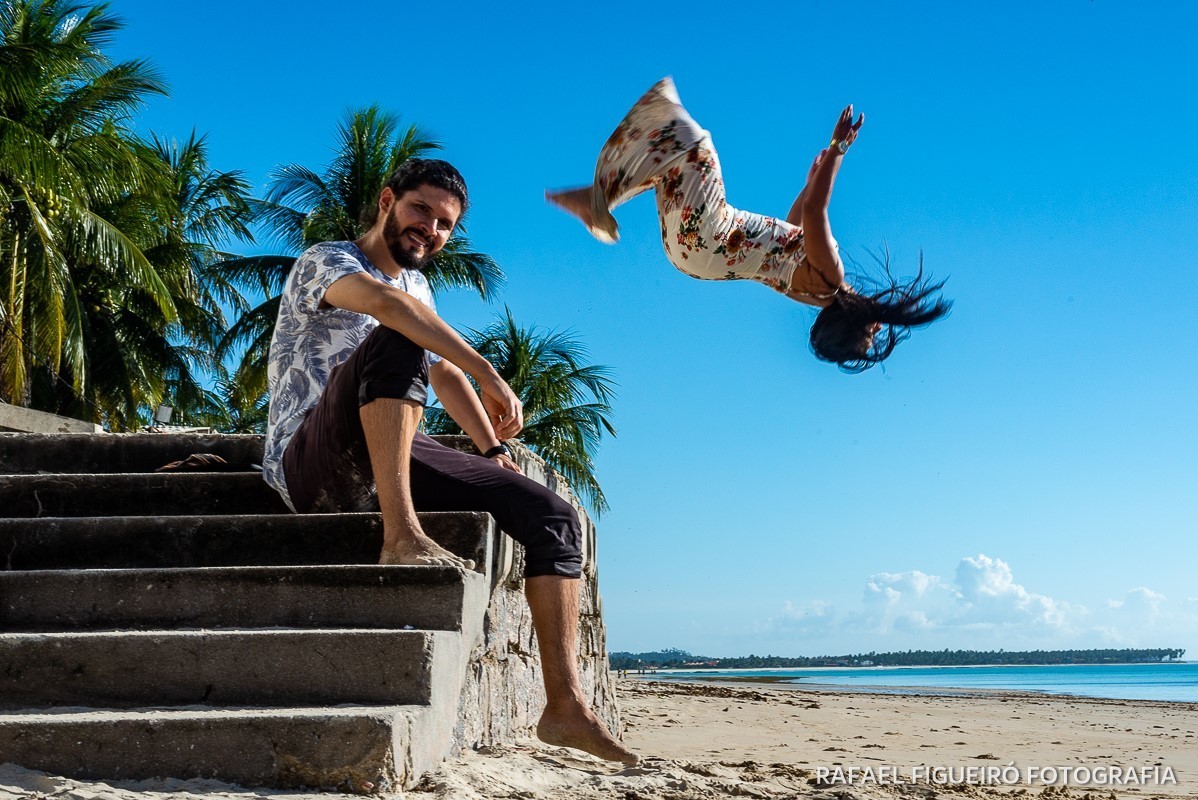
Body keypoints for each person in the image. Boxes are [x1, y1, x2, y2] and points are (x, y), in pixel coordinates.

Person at [261, 158, 637, 765]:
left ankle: (565, 707)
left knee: (555, 518)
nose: (430, 229)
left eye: (444, 223)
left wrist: (492, 448)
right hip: (312, 458)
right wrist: (491, 372)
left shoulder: (419, 291)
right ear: (387, 201)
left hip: (396, 447)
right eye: (419, 210)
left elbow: (444, 371)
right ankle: (402, 533)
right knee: (404, 329)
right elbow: (395, 316)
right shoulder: (327, 262)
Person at [548, 78, 950, 371]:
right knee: (669, 163)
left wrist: (838, 150)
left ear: (856, 317)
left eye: (870, 332)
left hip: (711, 233)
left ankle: (600, 200)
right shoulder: (811, 295)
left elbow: (815, 215)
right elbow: (795, 226)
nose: (878, 326)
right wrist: (809, 185)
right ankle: (597, 200)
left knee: (693, 143)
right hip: (693, 258)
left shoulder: (830, 279)